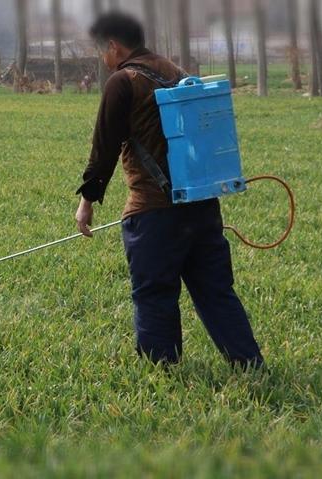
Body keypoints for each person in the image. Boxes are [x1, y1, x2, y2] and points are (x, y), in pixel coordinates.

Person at [75, 12, 264, 371]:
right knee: (216, 292)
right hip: (201, 204)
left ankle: (161, 371)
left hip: (153, 212)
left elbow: (104, 149)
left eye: (103, 51)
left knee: (154, 294)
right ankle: (249, 363)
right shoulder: (174, 71)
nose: (103, 60)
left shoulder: (123, 81)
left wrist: (86, 202)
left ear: (114, 46)